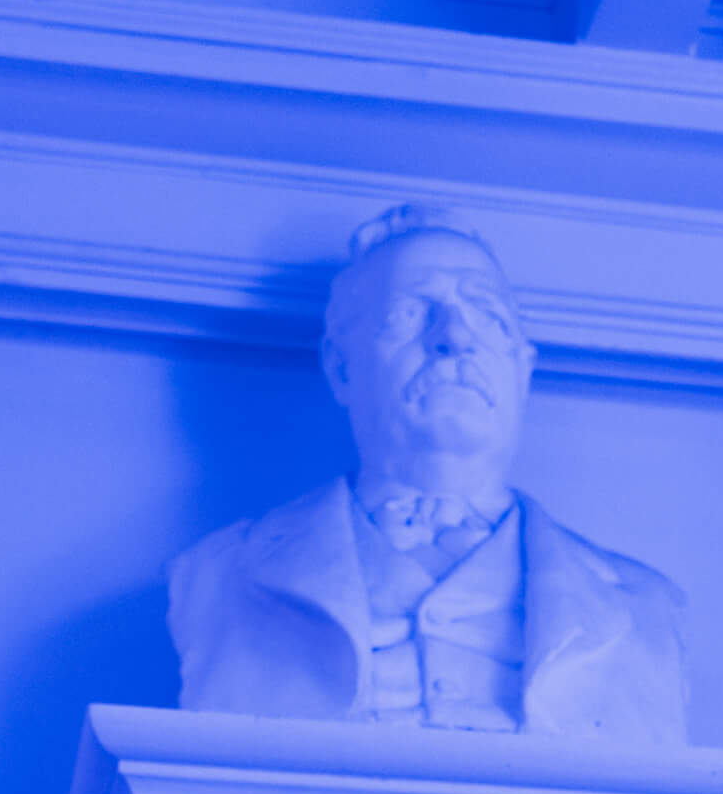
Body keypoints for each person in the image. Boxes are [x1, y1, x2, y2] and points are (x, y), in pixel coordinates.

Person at [166, 207, 688, 743]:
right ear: (340, 368)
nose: (454, 337)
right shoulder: (217, 576)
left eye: (487, 316)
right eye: (408, 314)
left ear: (523, 370)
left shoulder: (644, 604)